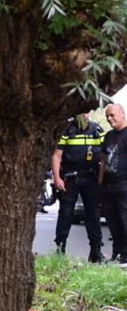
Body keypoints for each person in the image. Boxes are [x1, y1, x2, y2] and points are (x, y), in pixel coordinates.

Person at [52, 114, 104, 262]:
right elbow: (56, 155)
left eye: (86, 112)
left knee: (93, 215)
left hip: (91, 178)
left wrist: (101, 180)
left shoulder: (97, 130)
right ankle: (60, 250)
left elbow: (105, 155)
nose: (84, 115)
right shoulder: (67, 130)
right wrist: (57, 177)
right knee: (66, 214)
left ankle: (96, 251)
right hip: (70, 179)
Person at [100, 103, 127, 263]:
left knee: (125, 221)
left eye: (112, 115)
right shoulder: (109, 136)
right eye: (107, 116)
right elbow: (103, 160)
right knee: (113, 222)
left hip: (123, 185)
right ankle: (117, 253)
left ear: (122, 114)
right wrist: (100, 183)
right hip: (108, 186)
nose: (110, 119)